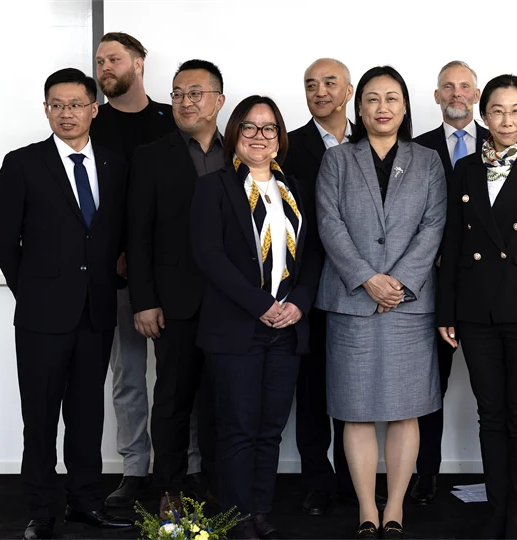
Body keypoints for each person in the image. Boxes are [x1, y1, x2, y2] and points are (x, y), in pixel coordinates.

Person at [0, 68, 134, 540]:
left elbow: (117, 233)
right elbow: (1, 234)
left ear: (94, 109)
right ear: (46, 108)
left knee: (87, 415)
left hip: (96, 310)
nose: (66, 113)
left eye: (76, 104)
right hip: (41, 315)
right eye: (57, 104)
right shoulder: (23, 163)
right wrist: (27, 287)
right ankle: (42, 509)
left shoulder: (114, 164)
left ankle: (86, 502)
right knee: (41, 416)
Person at [436, 74, 517, 540]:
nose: (507, 120)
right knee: (490, 417)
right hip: (475, 314)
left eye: (516, 111)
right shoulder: (465, 170)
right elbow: (453, 244)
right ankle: (497, 510)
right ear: (483, 114)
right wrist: (447, 312)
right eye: (497, 110)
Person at [316, 65, 446, 540]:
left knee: (406, 409)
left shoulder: (428, 160)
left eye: (392, 98)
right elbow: (329, 223)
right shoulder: (337, 160)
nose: (382, 108)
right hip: (352, 302)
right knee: (354, 409)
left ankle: (395, 508)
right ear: (358, 107)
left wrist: (398, 282)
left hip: (409, 305)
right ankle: (366, 509)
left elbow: (434, 225)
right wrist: (368, 278)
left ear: (406, 106)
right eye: (372, 99)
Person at [190, 95, 322, 540]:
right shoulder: (214, 187)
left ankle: (260, 512)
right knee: (237, 429)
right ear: (235, 136)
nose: (260, 137)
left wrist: (299, 303)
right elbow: (210, 257)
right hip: (236, 328)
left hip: (287, 329)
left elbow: (313, 257)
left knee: (269, 431)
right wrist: (260, 305)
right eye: (250, 128)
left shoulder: (297, 189)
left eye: (269, 129)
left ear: (280, 137)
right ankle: (235, 517)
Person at [127, 59, 225, 518]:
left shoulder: (243, 152)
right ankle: (169, 487)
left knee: (221, 401)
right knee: (171, 400)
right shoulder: (151, 155)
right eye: (178, 94)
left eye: (196, 93)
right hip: (175, 303)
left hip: (233, 304)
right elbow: (137, 234)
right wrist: (144, 300)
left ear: (219, 101)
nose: (186, 102)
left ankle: (214, 483)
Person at [89, 30, 179, 509]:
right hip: (116, 275)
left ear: (139, 63)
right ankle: (133, 469)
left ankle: (181, 466)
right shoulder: (92, 123)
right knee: (126, 376)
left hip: (173, 272)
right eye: (101, 61)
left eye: (115, 59)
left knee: (179, 375)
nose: (106, 68)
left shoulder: (171, 120)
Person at [410, 59, 490, 505]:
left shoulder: (501, 144)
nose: (456, 94)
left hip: (485, 290)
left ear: (476, 95)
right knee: (429, 387)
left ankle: (499, 474)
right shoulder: (417, 148)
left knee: (490, 390)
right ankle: (427, 475)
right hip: (430, 285)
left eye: (464, 87)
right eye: (447, 87)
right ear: (437, 96)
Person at [286, 57, 356, 516]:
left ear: (348, 90)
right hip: (310, 286)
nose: (320, 91)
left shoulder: (377, 136)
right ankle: (318, 479)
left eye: (330, 82)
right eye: (311, 84)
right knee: (311, 390)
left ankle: (356, 480)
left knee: (355, 388)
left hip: (364, 288)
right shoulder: (288, 146)